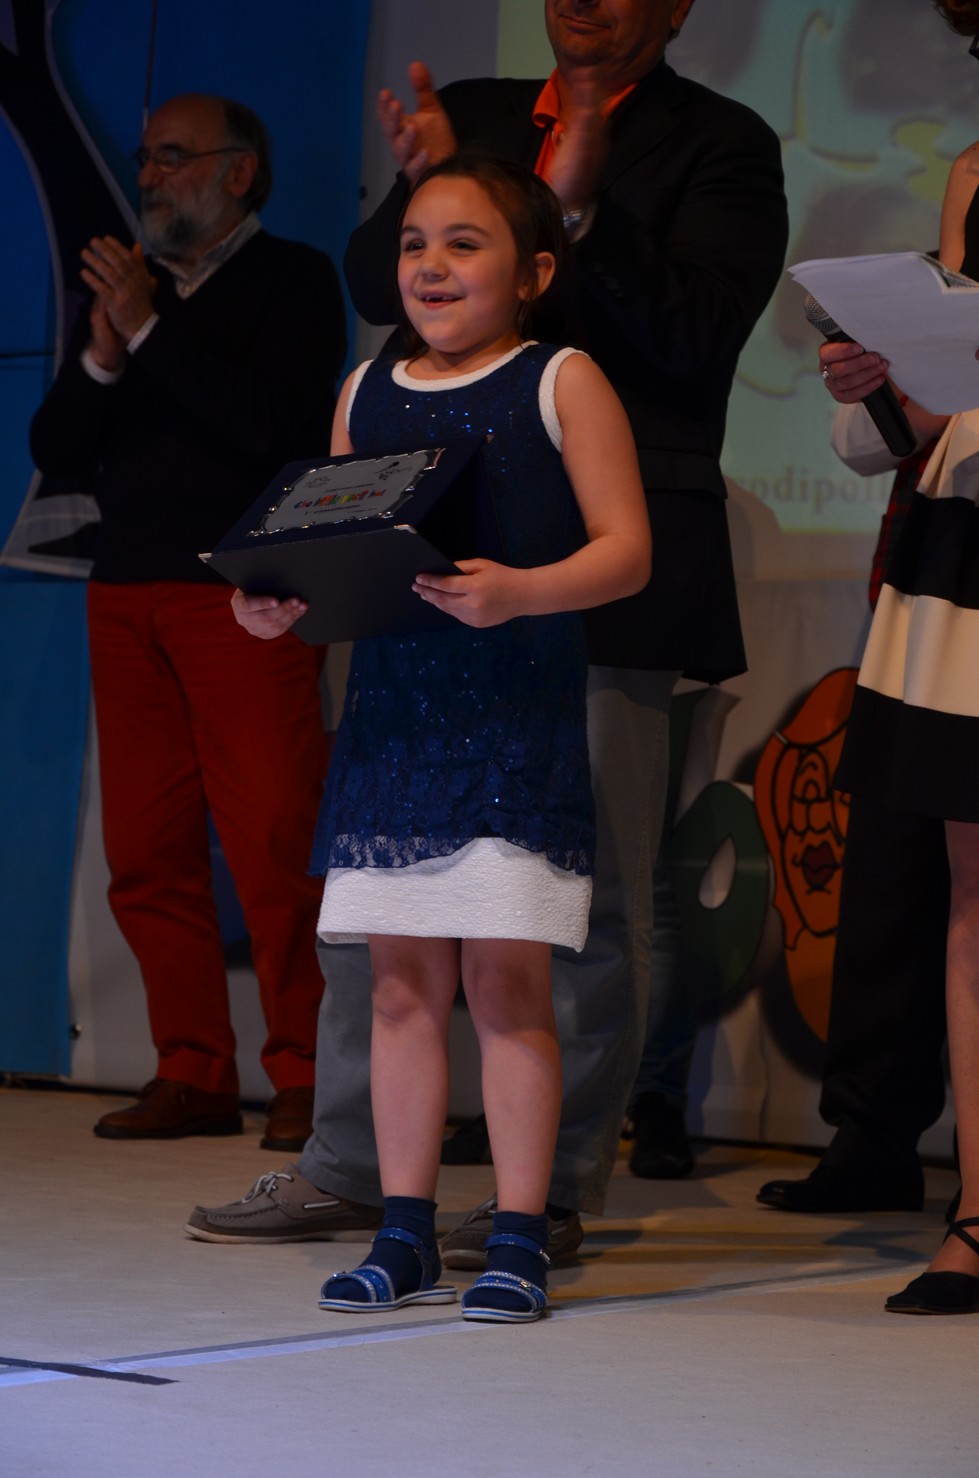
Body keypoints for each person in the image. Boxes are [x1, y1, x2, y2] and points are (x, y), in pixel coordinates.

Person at [186, 0, 788, 1257]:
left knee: (580, 910)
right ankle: (360, 1169)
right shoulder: (472, 114)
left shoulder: (719, 141)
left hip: (580, 582)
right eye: (429, 236)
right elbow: (379, 291)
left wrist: (578, 208)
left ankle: (543, 1195)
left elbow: (693, 335)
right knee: (389, 935)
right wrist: (420, 185)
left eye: (468, 239)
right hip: (415, 635)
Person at [232, 154, 651, 1322]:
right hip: (394, 729)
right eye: (416, 243)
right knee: (400, 989)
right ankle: (402, 1232)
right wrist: (278, 599)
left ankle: (517, 1233)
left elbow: (627, 551)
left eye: (466, 243)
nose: (431, 265)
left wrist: (519, 590)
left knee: (508, 985)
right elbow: (340, 551)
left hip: (511, 725)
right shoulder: (366, 390)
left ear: (535, 271)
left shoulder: (561, 378)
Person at [29, 94, 347, 1151]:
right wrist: (105, 354)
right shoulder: (135, 289)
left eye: (172, 157)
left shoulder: (293, 279)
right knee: (146, 850)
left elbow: (272, 428)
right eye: (146, 158)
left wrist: (149, 332)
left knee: (275, 843)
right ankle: (193, 1069)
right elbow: (57, 447)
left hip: (247, 593)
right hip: (126, 595)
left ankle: (308, 1075)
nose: (149, 176)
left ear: (239, 172)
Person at [804, 0, 979, 1313]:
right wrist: (881, 382)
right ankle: (976, 1212)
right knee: (970, 901)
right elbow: (937, 403)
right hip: (961, 543)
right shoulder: (973, 173)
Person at [756, 400, 952, 1215]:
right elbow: (858, 442)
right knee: (888, 884)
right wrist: (898, 394)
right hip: (923, 605)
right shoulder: (924, 312)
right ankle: (872, 1140)